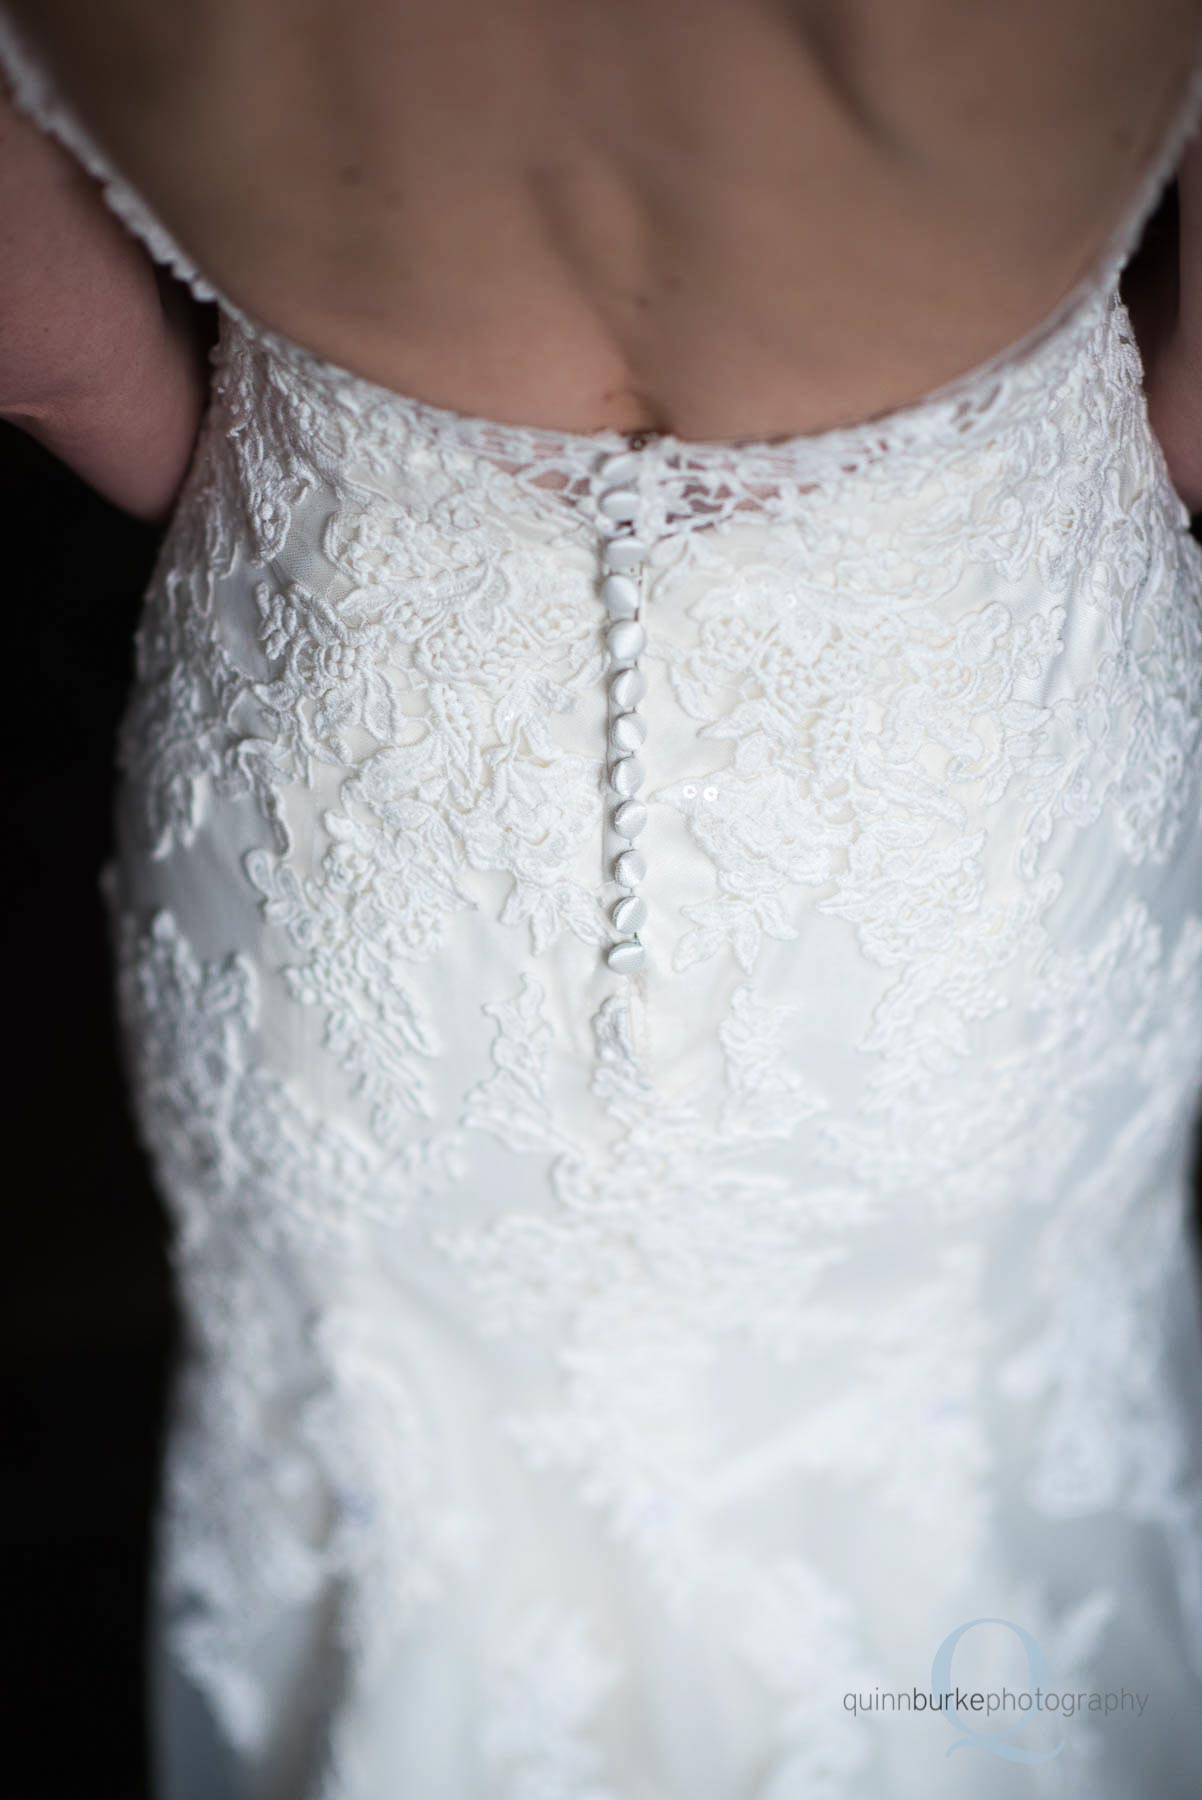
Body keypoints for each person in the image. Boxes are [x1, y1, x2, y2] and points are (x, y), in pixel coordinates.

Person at [3, 3, 1202, 1795]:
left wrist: (335, 529)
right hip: (959, 752)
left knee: (427, 1494)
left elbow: (45, 346)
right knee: (931, 1454)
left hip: (345, 766)